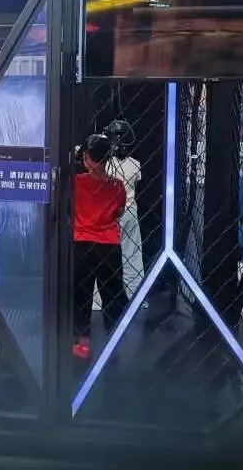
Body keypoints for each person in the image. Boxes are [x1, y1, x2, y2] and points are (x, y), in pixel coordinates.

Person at [73, 134, 128, 360]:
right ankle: (113, 340)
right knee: (112, 294)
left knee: (81, 294)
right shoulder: (117, 186)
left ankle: (82, 343)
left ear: (86, 157)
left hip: (82, 243)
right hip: (108, 245)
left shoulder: (76, 182)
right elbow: (119, 212)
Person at [104, 121, 145, 304]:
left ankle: (98, 300)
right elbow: (135, 185)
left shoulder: (104, 164)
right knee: (132, 254)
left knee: (102, 255)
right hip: (128, 210)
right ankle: (135, 296)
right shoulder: (135, 164)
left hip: (108, 213)